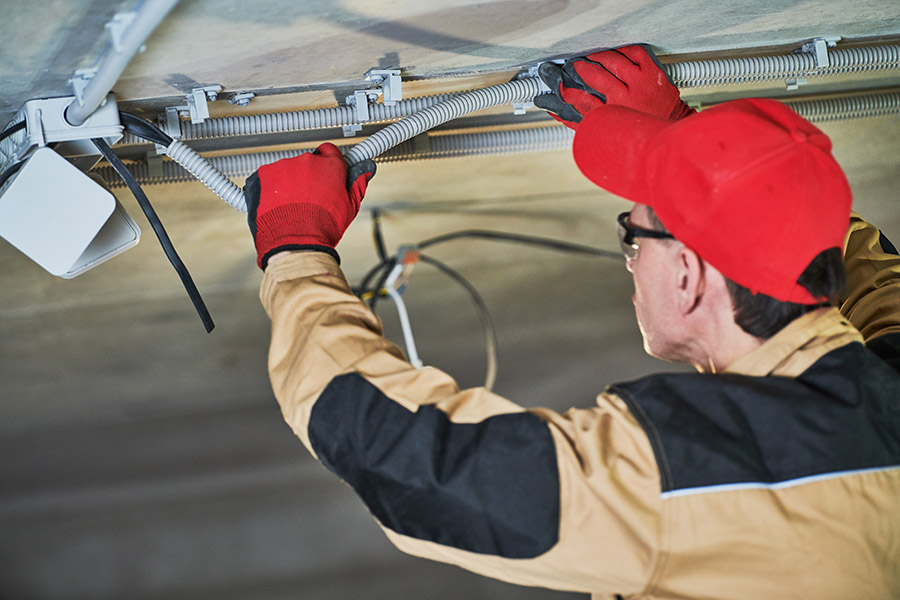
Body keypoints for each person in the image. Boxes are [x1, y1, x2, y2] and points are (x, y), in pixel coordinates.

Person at [243, 45, 900, 599]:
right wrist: (703, 151)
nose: (629, 262)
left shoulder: (688, 478)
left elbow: (411, 459)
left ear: (689, 276)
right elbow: (850, 259)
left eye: (632, 236)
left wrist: (294, 250)